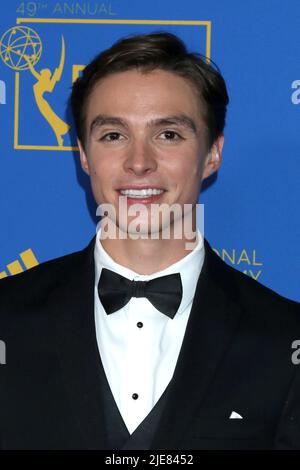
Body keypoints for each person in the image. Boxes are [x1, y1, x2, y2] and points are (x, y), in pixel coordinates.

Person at [0, 32, 299, 451]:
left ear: (212, 153)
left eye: (169, 135)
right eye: (113, 136)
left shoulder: (285, 338)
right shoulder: (7, 317)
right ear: (84, 155)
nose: (139, 162)